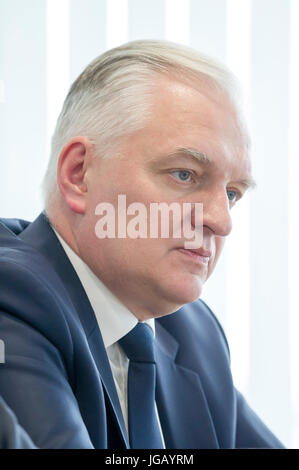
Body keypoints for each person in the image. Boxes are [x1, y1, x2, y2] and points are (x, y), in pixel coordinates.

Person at [0, 40, 284, 449]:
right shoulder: (13, 297)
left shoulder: (193, 333)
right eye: (185, 175)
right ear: (79, 174)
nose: (221, 222)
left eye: (233, 193)